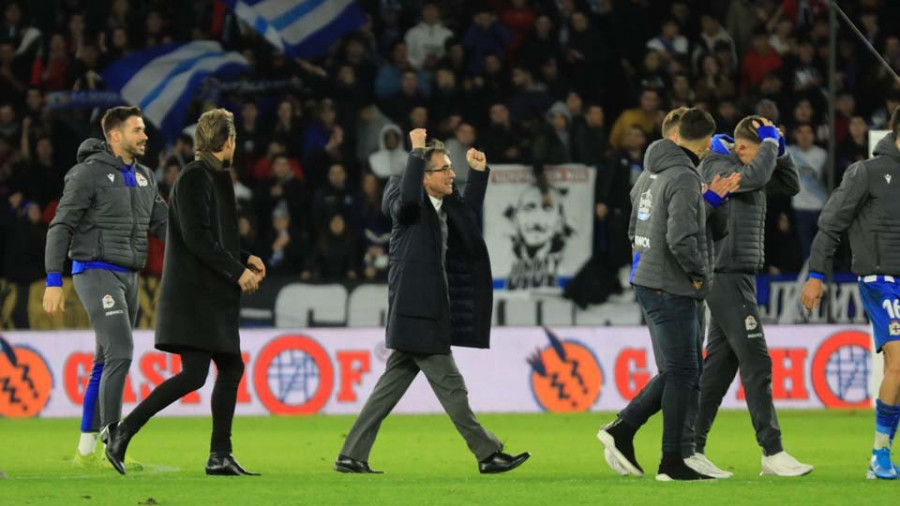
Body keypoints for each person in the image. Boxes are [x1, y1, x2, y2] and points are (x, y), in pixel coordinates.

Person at [334, 129, 530, 474]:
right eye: (444, 170)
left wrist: (479, 174)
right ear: (424, 177)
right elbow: (407, 203)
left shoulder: (444, 206)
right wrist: (416, 152)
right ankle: (487, 454)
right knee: (453, 388)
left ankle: (351, 455)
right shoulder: (405, 199)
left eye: (451, 169)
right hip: (419, 311)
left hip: (425, 310)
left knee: (387, 391)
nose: (452, 174)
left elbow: (467, 219)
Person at [104, 109, 265, 476]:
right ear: (228, 142)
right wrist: (236, 270)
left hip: (208, 294)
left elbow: (210, 237)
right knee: (197, 374)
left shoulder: (209, 175)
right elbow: (196, 238)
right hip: (196, 296)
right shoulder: (196, 177)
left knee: (227, 367)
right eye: (235, 139)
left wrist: (245, 257)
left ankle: (219, 454)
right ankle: (123, 431)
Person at [597, 109, 733, 481]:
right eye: (707, 144)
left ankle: (637, 438)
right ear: (703, 143)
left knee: (684, 370)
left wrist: (708, 206)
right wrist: (698, 275)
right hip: (670, 285)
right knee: (683, 370)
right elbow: (681, 238)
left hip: (650, 279)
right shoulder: (685, 178)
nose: (708, 151)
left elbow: (634, 228)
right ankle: (666, 457)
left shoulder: (648, 174)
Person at [42, 106, 167, 470]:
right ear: (115, 135)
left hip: (129, 276)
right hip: (95, 271)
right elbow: (60, 225)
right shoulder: (87, 174)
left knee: (104, 361)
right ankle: (115, 437)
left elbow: (166, 225)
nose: (145, 136)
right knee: (122, 352)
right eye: (138, 130)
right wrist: (54, 279)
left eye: (144, 129)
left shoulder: (145, 177)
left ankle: (85, 454)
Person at [691, 116, 813, 478]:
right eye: (765, 151)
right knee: (757, 359)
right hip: (726, 274)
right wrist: (771, 145)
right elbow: (760, 174)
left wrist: (781, 149)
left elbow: (789, 184)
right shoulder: (718, 166)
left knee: (719, 368)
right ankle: (772, 452)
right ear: (743, 149)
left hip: (737, 274)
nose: (768, 159)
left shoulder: (749, 167)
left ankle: (690, 448)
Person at [800, 107, 900, 480]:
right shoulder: (866, 173)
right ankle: (880, 454)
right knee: (898, 364)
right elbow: (830, 224)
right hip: (881, 280)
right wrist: (816, 274)